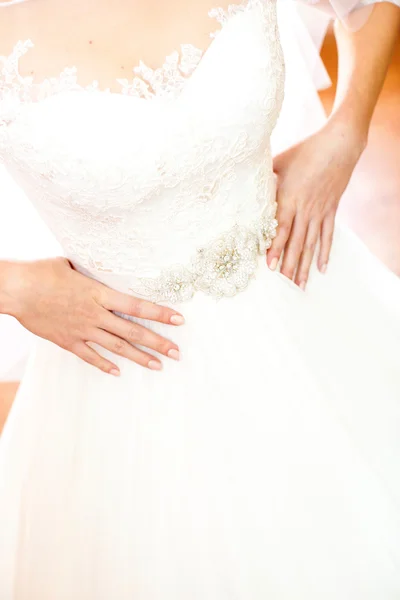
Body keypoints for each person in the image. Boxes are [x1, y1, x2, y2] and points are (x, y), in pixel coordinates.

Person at [0, 0, 400, 597]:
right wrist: (16, 287)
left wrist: (346, 129)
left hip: (306, 297)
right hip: (128, 370)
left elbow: (372, 8)